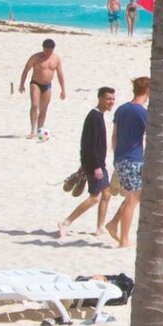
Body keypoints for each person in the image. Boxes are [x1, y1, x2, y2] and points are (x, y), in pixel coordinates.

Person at [58, 87, 116, 236]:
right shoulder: (94, 117)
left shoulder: (99, 116)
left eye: (113, 99)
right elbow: (88, 144)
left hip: (98, 164)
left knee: (107, 193)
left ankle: (100, 227)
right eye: (108, 99)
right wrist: (95, 166)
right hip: (94, 165)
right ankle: (66, 223)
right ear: (100, 99)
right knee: (94, 198)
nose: (111, 102)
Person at [106, 77, 150, 248]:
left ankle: (113, 223)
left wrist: (117, 158)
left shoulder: (121, 109)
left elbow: (114, 136)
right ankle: (124, 239)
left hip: (121, 158)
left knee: (134, 197)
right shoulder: (142, 112)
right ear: (147, 91)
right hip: (134, 159)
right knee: (132, 200)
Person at [17, 38, 67, 140]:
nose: (48, 53)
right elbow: (26, 70)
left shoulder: (56, 59)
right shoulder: (35, 57)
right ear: (43, 48)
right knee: (35, 105)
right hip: (35, 83)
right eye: (46, 50)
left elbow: (60, 74)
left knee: (44, 109)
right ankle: (32, 130)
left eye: (50, 51)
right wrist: (22, 84)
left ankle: (39, 130)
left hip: (47, 85)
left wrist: (63, 89)